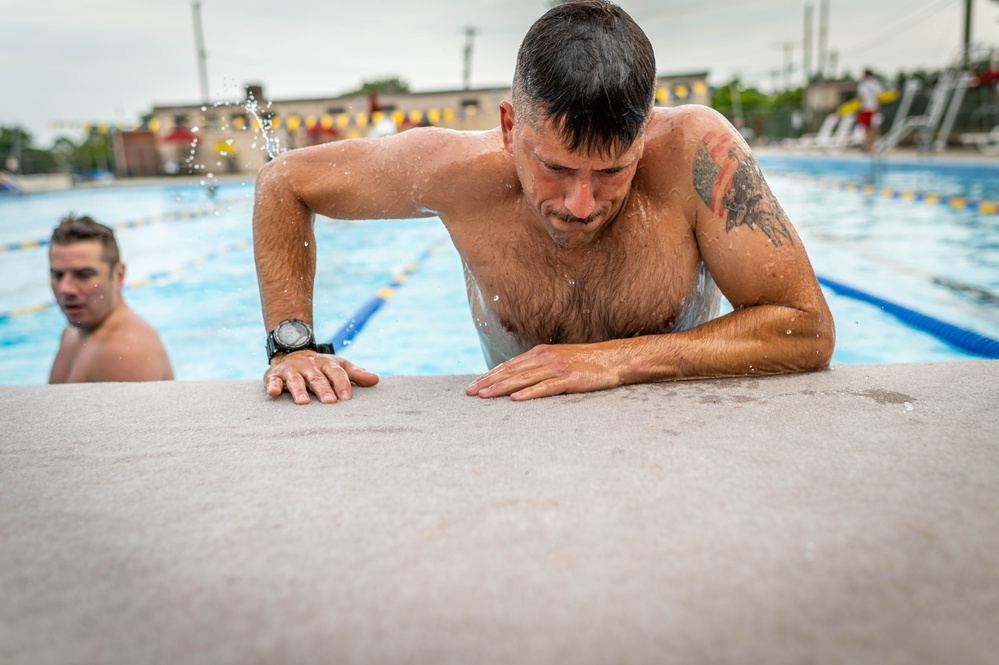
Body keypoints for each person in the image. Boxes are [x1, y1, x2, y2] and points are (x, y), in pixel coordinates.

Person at [253, 0, 834, 405]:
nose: (581, 204)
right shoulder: (453, 171)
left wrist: (617, 360)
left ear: (645, 135)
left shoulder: (695, 153)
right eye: (554, 167)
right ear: (509, 128)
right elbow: (283, 183)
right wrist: (292, 347)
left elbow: (806, 328)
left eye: (612, 172)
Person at [48, 215, 174, 383]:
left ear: (118, 275)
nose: (66, 289)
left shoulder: (125, 351)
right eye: (57, 275)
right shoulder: (71, 333)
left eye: (84, 275)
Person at [857, 69, 882, 152]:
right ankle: (872, 145)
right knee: (872, 128)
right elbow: (879, 96)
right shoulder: (875, 84)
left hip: (866, 108)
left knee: (866, 128)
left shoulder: (863, 85)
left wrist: (858, 108)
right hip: (874, 108)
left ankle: (868, 146)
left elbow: (862, 97)